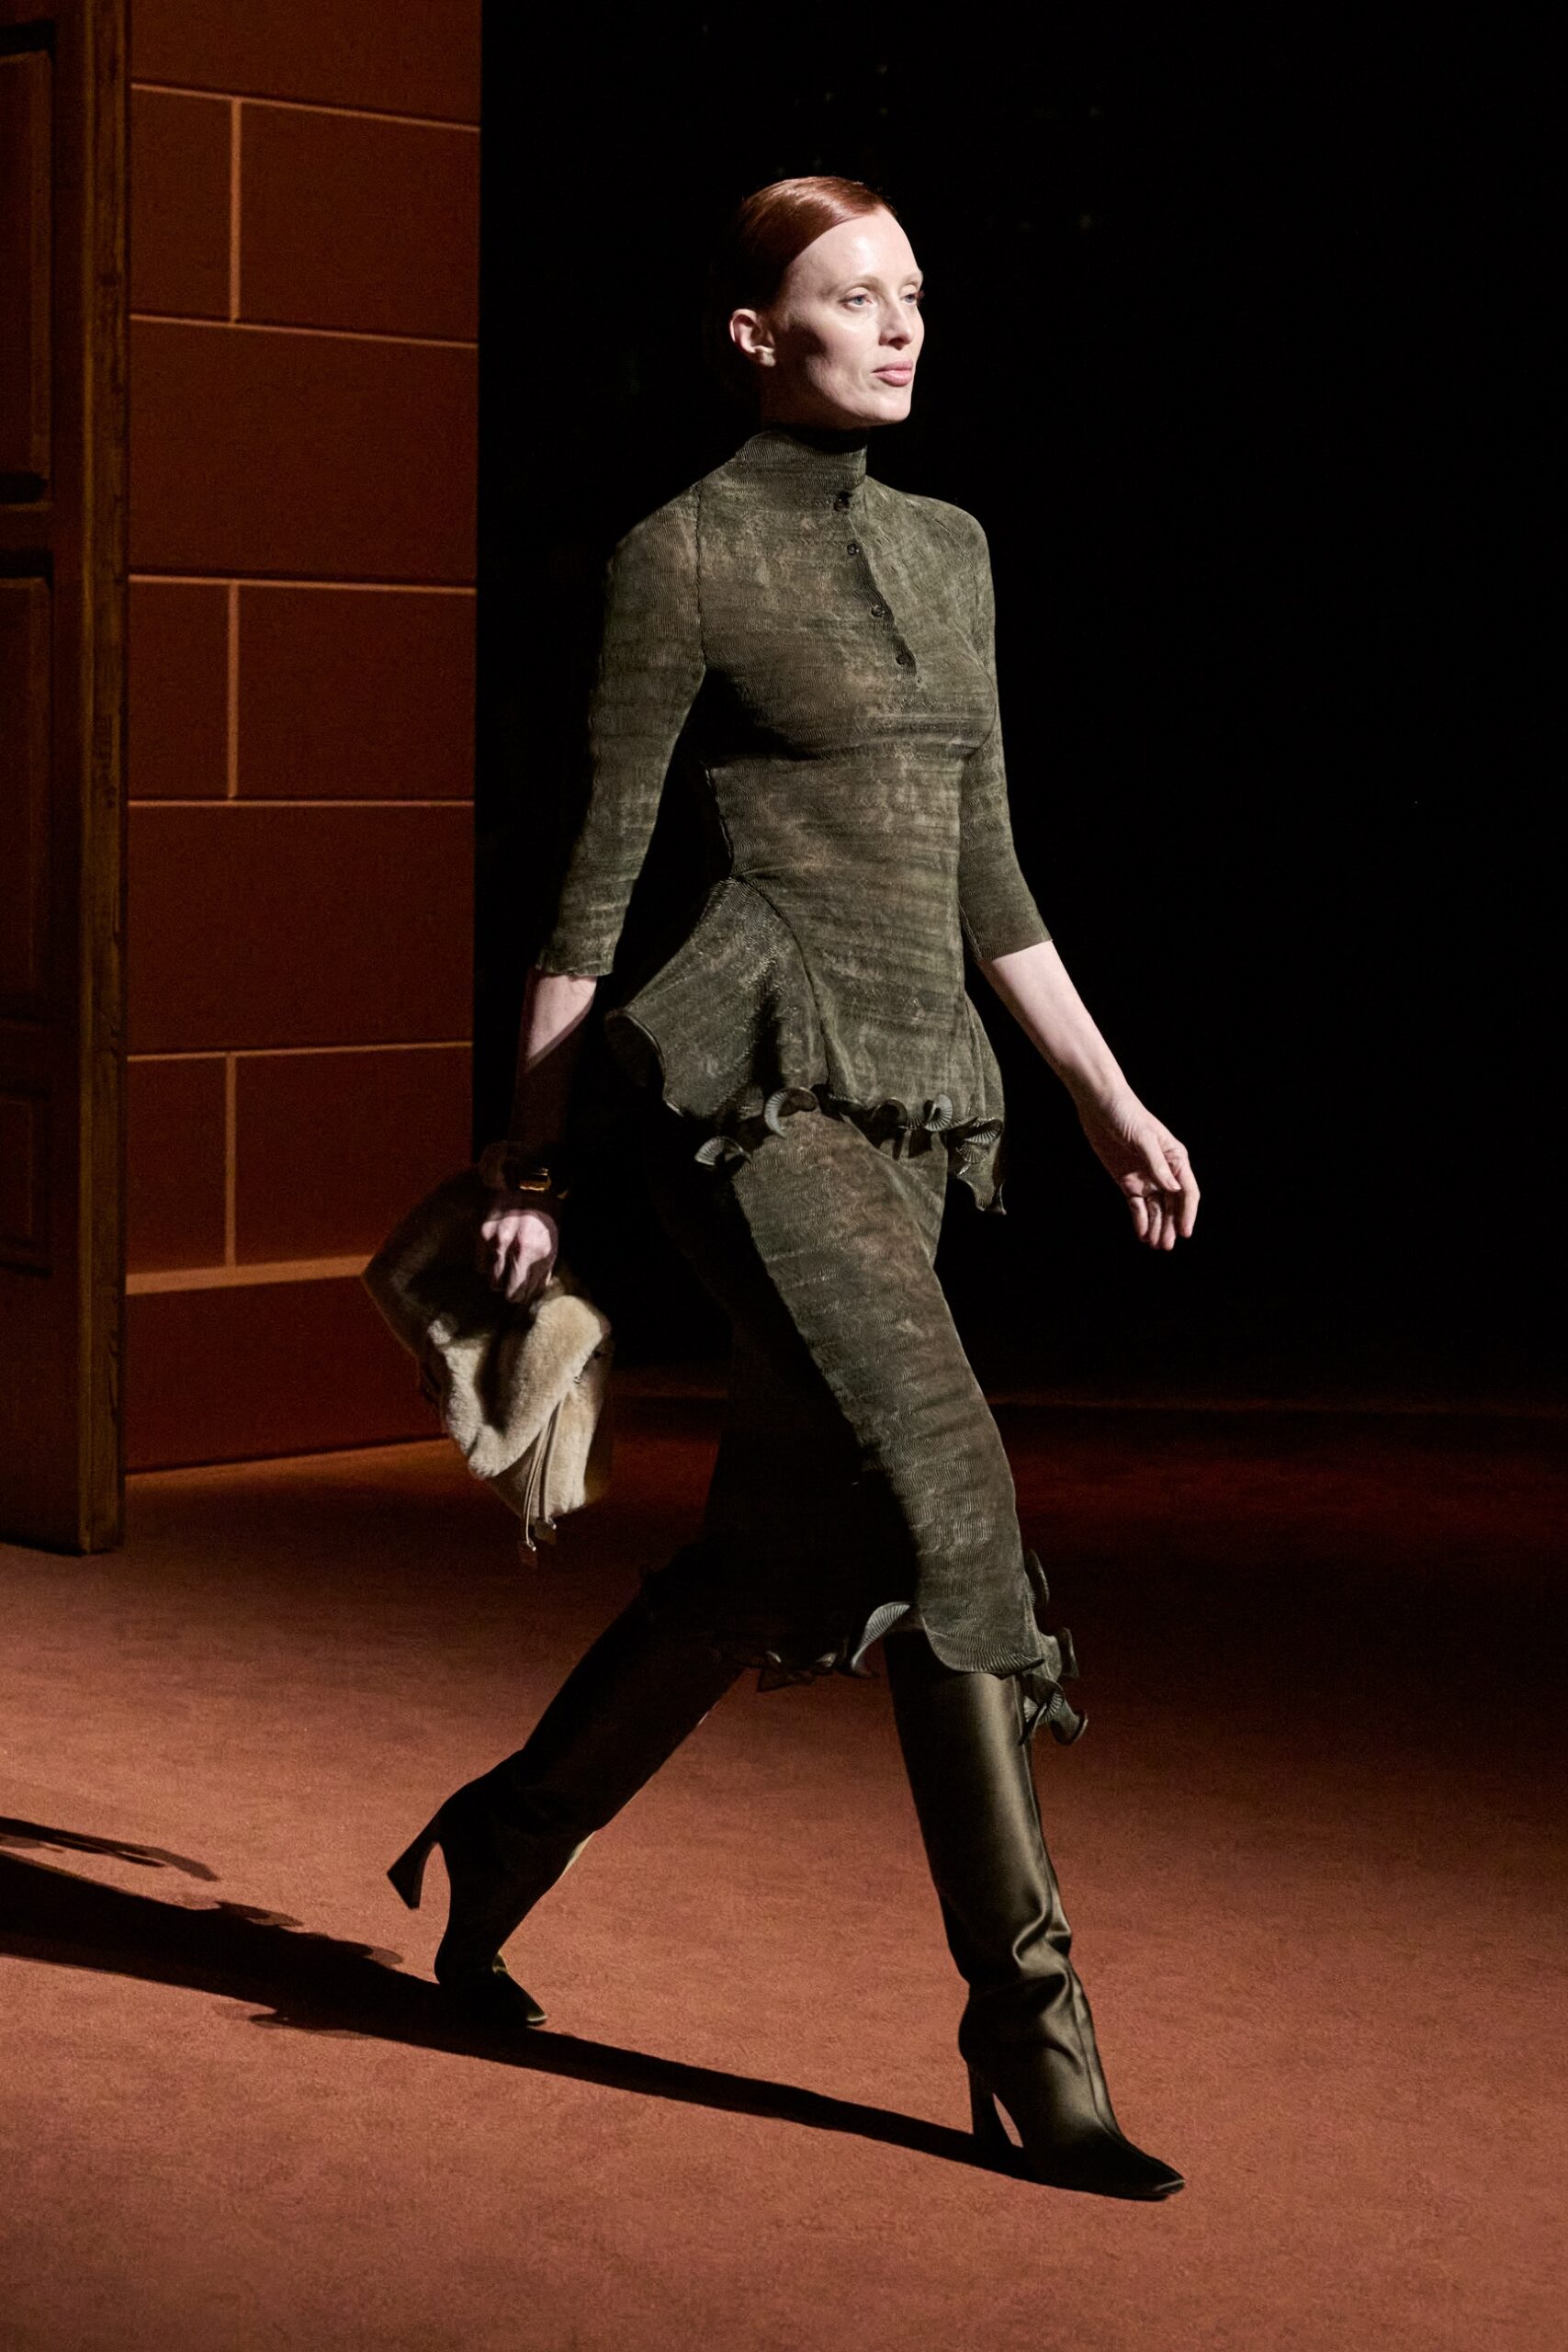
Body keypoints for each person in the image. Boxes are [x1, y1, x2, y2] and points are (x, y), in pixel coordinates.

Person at [389, 175, 1199, 2201]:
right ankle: (1029, 2027)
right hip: (747, 1101)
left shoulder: (953, 547)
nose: (900, 322)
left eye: (914, 289)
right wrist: (530, 1156)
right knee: (945, 1489)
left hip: (918, 1103)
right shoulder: (679, 553)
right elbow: (596, 870)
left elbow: (985, 866)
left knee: (771, 1556)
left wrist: (1100, 1097)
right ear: (757, 333)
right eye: (853, 293)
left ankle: (503, 1834)